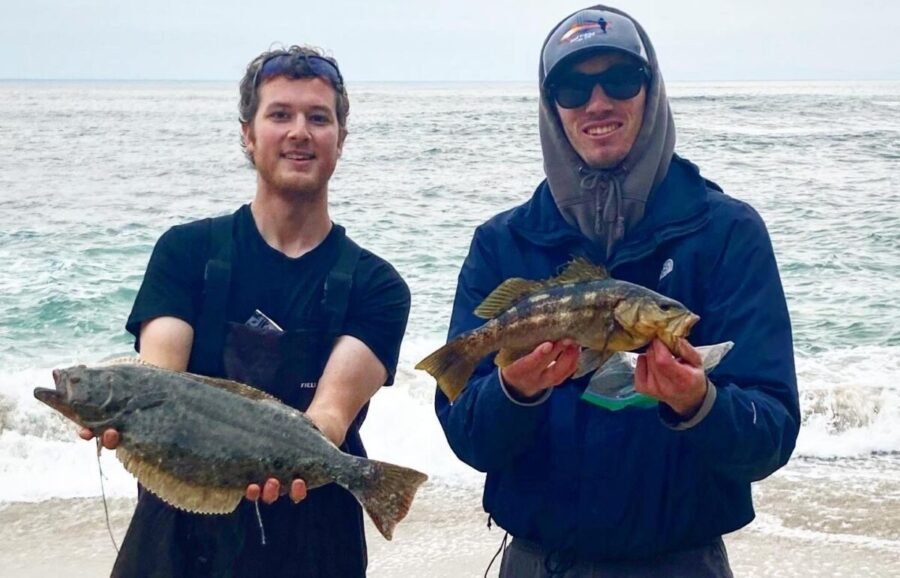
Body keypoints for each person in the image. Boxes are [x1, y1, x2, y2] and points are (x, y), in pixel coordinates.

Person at [434, 5, 800, 577]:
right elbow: (468, 438)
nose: (597, 102)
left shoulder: (729, 234)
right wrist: (514, 391)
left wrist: (698, 403)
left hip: (683, 564)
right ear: (550, 105)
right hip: (538, 563)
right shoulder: (501, 242)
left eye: (621, 80)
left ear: (651, 93)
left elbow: (770, 436)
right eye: (573, 86)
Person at [79, 45, 411, 577]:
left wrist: (295, 454)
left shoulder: (378, 286)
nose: (299, 131)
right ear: (248, 134)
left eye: (318, 118)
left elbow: (329, 416)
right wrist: (122, 415)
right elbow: (161, 382)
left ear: (340, 140)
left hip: (313, 537)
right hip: (177, 547)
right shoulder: (184, 252)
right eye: (280, 114)